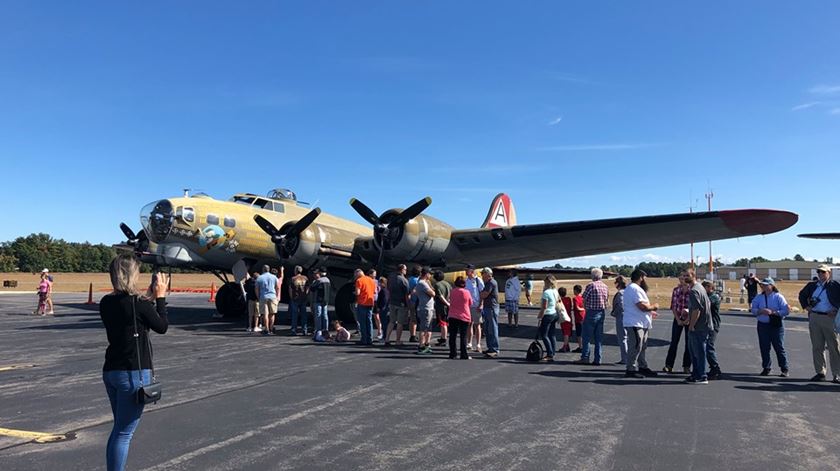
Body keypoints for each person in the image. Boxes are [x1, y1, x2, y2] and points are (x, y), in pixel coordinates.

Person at [99, 254, 169, 471]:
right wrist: (160, 298)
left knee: (119, 429)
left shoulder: (106, 302)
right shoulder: (138, 305)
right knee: (123, 433)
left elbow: (132, 314)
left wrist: (148, 296)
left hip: (112, 371)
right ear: (131, 276)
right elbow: (161, 326)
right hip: (133, 373)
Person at [798, 264, 840, 383]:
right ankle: (820, 372)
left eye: (823, 272)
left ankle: (837, 373)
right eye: (819, 272)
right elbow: (802, 295)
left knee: (834, 347)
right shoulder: (812, 285)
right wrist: (806, 306)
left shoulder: (835, 286)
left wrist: (836, 310)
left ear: (829, 273)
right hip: (815, 317)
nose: (821, 274)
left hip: (829, 318)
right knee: (817, 346)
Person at [623, 269, 659, 379]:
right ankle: (630, 369)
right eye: (644, 277)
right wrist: (654, 306)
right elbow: (642, 306)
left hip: (641, 322)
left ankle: (642, 366)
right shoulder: (635, 289)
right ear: (640, 277)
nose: (645, 280)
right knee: (636, 346)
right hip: (635, 323)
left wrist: (650, 311)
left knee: (642, 346)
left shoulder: (634, 288)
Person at [753, 277, 790, 377]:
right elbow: (753, 309)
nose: (763, 286)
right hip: (762, 325)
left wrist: (774, 312)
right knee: (764, 347)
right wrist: (761, 311)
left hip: (776, 325)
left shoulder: (778, 297)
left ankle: (784, 368)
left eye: (766, 285)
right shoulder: (759, 297)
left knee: (779, 346)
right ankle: (766, 367)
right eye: (762, 285)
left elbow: (786, 311)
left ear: (772, 286)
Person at [685, 268, 712, 384]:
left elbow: (697, 310)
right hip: (703, 325)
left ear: (693, 275)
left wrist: (691, 325)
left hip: (699, 327)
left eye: (687, 275)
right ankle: (696, 374)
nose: (685, 277)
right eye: (684, 275)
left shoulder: (694, 291)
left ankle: (701, 375)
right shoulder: (700, 288)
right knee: (694, 351)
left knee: (698, 352)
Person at [576, 268, 609, 365]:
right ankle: (598, 359)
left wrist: (586, 307)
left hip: (591, 312)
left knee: (586, 336)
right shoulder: (605, 286)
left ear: (593, 276)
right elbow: (606, 300)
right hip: (601, 312)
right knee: (598, 338)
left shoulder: (591, 285)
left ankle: (585, 357)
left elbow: (584, 298)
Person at [663, 274, 691, 374]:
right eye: (680, 278)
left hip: (689, 319)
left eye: (683, 278)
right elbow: (674, 306)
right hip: (678, 318)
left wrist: (688, 319)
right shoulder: (676, 290)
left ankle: (686, 366)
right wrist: (678, 319)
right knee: (674, 342)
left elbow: (694, 307)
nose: (681, 280)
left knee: (689, 344)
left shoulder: (692, 291)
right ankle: (669, 365)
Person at [384, 264, 410, 346]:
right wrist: (408, 305)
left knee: (391, 321)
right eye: (405, 269)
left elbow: (388, 288)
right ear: (402, 270)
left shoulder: (391, 277)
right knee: (400, 323)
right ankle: (397, 340)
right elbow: (407, 294)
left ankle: (387, 339)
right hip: (401, 303)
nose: (406, 271)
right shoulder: (404, 281)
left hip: (392, 302)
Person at [448, 276, 472, 359]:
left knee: (452, 335)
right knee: (463, 336)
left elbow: (450, 299)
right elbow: (470, 302)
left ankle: (452, 353)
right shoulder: (466, 292)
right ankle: (464, 354)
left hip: (453, 315)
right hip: (464, 315)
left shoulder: (452, 291)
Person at [703, 280, 722, 379]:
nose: (704, 288)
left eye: (706, 287)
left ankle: (715, 367)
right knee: (706, 346)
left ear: (711, 288)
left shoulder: (714, 296)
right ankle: (713, 367)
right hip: (707, 324)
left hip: (713, 324)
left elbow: (706, 305)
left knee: (709, 346)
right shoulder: (706, 296)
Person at [537, 276, 560, 361]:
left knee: (544, 335)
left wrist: (540, 316)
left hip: (548, 314)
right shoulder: (555, 291)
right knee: (552, 334)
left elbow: (544, 307)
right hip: (554, 313)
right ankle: (552, 352)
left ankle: (550, 354)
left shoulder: (546, 292)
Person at [479, 267, 500, 358]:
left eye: (483, 274)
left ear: (488, 274)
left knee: (492, 328)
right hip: (488, 307)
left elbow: (484, 294)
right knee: (488, 329)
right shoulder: (488, 283)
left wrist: (480, 293)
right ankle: (490, 348)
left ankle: (494, 349)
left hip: (491, 308)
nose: (482, 275)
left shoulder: (490, 283)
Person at [414, 267, 436, 354]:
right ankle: (421, 346)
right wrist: (431, 288)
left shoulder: (421, 283)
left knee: (426, 327)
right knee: (424, 328)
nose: (430, 275)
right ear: (426, 274)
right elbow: (433, 293)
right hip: (426, 308)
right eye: (430, 274)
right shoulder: (423, 284)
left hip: (425, 307)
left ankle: (425, 344)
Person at [257, 265, 282, 335]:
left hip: (263, 297)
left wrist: (258, 297)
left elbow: (256, 289)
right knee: (272, 314)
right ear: (269, 269)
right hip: (272, 297)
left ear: (263, 269)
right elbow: (277, 287)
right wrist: (276, 296)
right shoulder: (274, 277)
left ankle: (266, 329)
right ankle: (271, 328)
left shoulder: (259, 277)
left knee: (265, 314)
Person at [354, 268, 376, 345]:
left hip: (362, 303)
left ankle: (364, 339)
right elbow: (374, 291)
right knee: (369, 321)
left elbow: (357, 292)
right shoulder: (371, 280)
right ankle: (370, 339)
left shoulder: (359, 281)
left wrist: (354, 292)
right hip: (370, 303)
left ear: (358, 274)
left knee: (363, 322)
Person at [465, 264, 485, 352]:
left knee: (477, 325)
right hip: (467, 306)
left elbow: (482, 293)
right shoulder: (466, 281)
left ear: (472, 271)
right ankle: (469, 343)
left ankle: (478, 344)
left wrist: (481, 304)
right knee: (469, 324)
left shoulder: (478, 280)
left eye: (467, 270)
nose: (466, 271)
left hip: (476, 305)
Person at [310, 268, 331, 342]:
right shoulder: (328, 280)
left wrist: (314, 282)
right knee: (325, 315)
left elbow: (312, 288)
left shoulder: (319, 281)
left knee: (318, 315)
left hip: (318, 300)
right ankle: (326, 329)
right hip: (326, 300)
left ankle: (318, 330)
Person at [611, 276, 628, 365]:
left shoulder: (620, 294)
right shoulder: (628, 292)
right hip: (628, 317)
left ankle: (625, 358)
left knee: (622, 338)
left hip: (621, 317)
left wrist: (614, 313)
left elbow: (620, 306)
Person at [288, 266, 309, 336]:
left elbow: (290, 289)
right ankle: (304, 330)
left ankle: (294, 330)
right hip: (303, 298)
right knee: (304, 315)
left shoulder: (293, 279)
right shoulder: (305, 278)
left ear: (296, 271)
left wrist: (291, 297)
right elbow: (307, 287)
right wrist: (306, 294)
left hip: (295, 298)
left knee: (294, 315)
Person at [433, 270, 451, 346]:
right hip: (447, 305)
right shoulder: (447, 284)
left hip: (441, 306)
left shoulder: (437, 285)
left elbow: (440, 296)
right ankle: (443, 337)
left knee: (442, 322)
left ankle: (443, 339)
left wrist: (446, 303)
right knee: (445, 322)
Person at [407, 265, 421, 343]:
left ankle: (412, 334)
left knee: (412, 319)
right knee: (415, 319)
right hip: (417, 301)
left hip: (411, 301)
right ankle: (414, 336)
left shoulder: (409, 279)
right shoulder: (418, 281)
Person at [571, 285, 585, 353]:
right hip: (583, 316)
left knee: (579, 334)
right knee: (583, 332)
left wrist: (582, 309)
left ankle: (581, 347)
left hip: (578, 317)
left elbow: (577, 308)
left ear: (576, 290)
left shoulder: (575, 298)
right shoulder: (583, 297)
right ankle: (582, 346)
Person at [558, 287, 573, 353]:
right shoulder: (568, 299)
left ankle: (565, 346)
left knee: (566, 333)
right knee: (566, 332)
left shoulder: (560, 300)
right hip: (569, 317)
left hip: (563, 318)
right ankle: (567, 345)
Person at [376, 276, 390, 343]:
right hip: (385, 309)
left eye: (380, 282)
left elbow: (384, 300)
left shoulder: (383, 291)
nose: (379, 284)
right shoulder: (386, 290)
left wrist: (380, 307)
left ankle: (384, 337)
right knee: (385, 324)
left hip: (383, 309)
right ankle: (385, 336)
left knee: (384, 324)